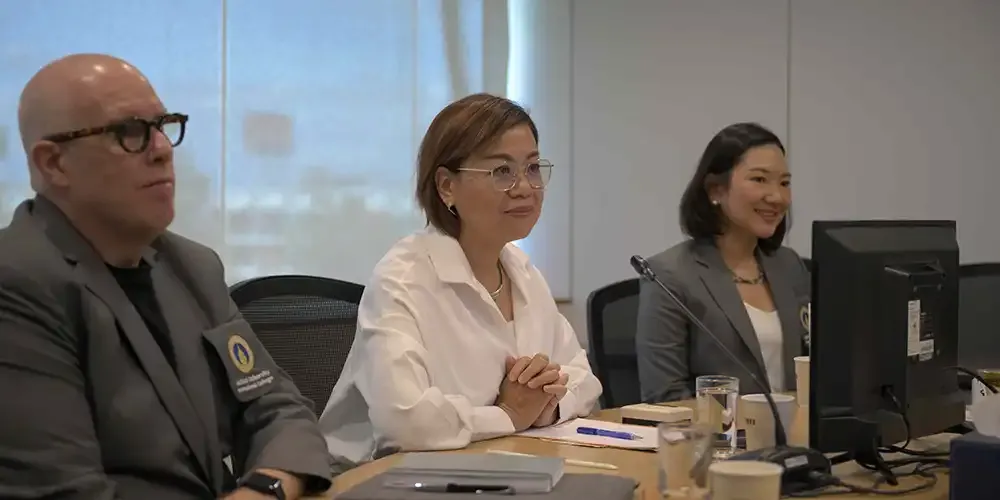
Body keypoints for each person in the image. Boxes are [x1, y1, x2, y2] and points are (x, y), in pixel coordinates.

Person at [0, 54, 332, 499]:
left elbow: (278, 409)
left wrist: (265, 488)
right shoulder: (17, 282)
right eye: (129, 131)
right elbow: (63, 491)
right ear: (54, 163)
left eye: (163, 125)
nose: (161, 149)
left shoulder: (192, 266)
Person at [318, 93, 602, 464]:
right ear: (447, 186)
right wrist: (509, 415)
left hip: (497, 467)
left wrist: (547, 408)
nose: (524, 187)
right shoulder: (402, 279)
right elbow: (404, 422)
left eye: (532, 168)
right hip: (384, 477)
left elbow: (584, 381)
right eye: (502, 172)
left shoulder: (522, 272)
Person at [635, 122, 810, 403]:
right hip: (718, 431)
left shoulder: (790, 266)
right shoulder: (669, 276)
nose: (777, 197)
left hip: (795, 430)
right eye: (759, 179)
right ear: (715, 190)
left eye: (784, 183)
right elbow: (665, 397)